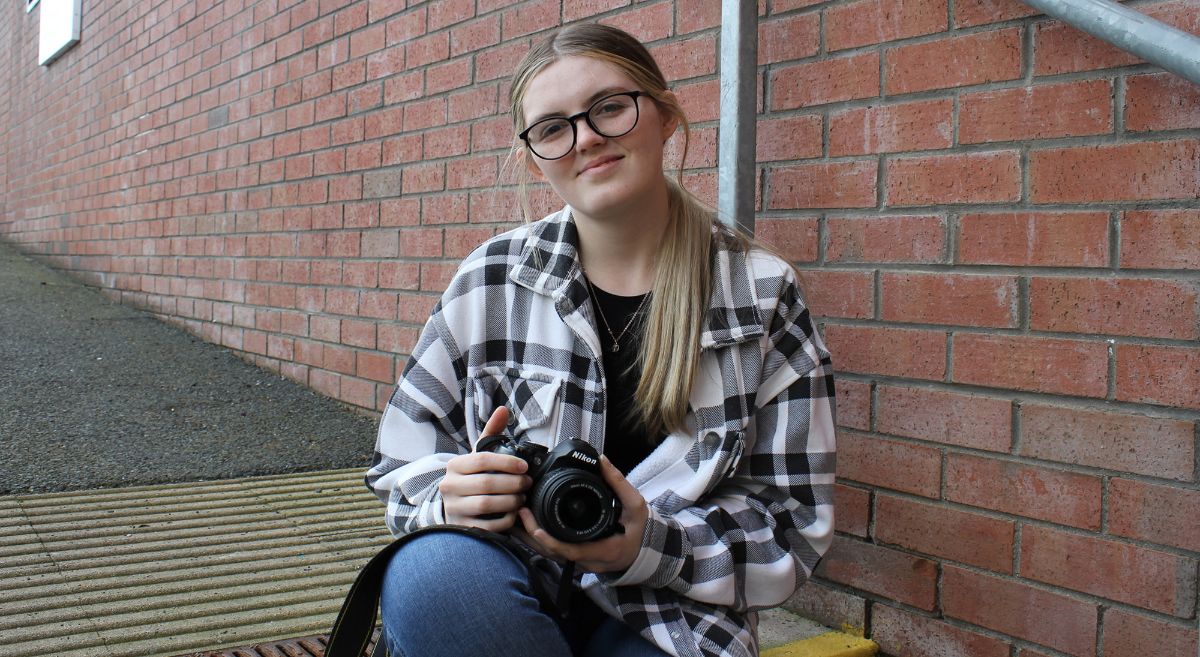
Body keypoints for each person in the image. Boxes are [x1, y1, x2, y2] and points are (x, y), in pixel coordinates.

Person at [365, 22, 835, 657]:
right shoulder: (491, 281)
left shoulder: (760, 294)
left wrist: (645, 543)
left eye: (610, 108)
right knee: (433, 578)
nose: (586, 138)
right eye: (554, 128)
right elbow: (400, 463)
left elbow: (792, 523)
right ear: (535, 157)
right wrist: (452, 494)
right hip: (504, 574)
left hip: (673, 613)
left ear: (665, 116)